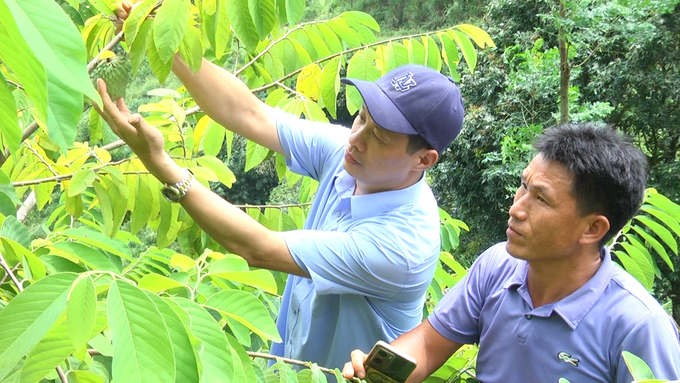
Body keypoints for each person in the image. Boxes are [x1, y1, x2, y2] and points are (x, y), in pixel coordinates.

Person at [95, 2, 465, 373]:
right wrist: (164, 40)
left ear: (423, 160)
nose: (357, 139)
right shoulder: (350, 155)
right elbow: (249, 114)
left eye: (380, 137)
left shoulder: (402, 245)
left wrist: (160, 163)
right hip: (286, 368)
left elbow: (260, 249)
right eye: (361, 118)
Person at [343, 123, 680, 382]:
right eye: (523, 185)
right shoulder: (498, 265)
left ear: (592, 229)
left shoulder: (638, 327)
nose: (516, 208)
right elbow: (429, 345)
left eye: (542, 199)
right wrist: (378, 368)